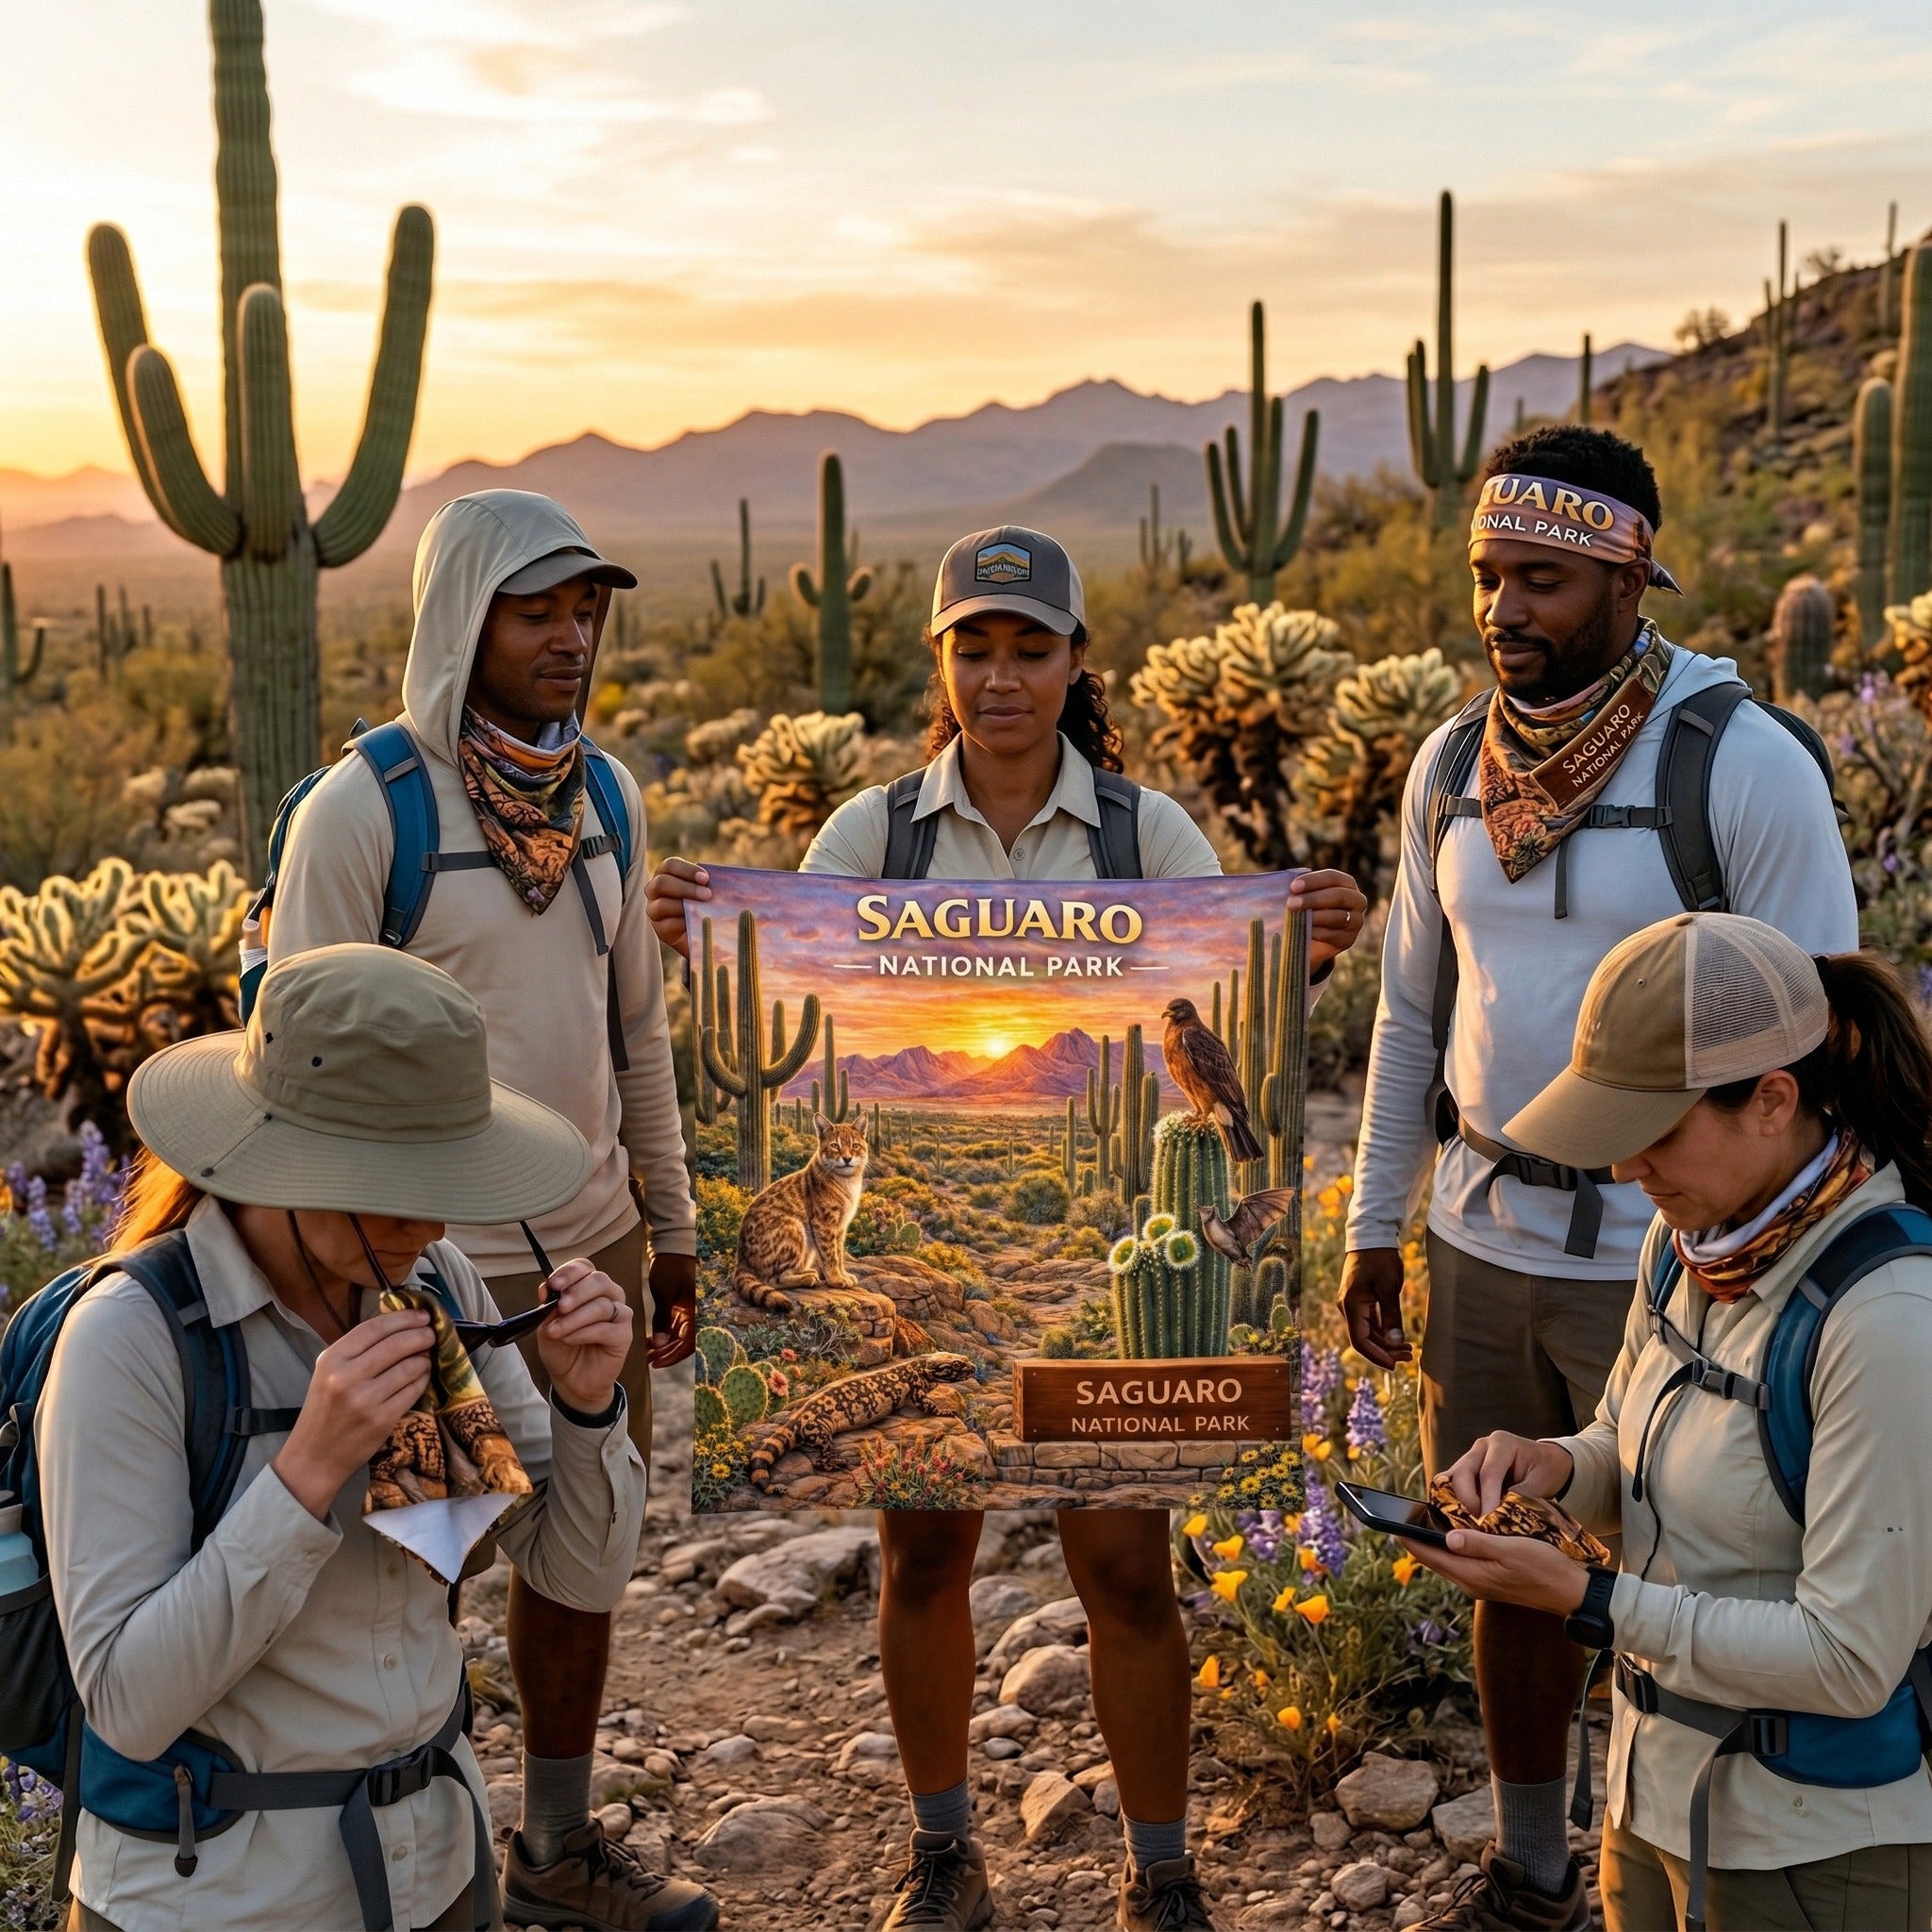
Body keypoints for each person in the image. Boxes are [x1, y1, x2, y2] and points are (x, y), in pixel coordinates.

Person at [648, 525, 1369, 1931]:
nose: (1001, 678)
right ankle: (943, 1854)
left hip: (1116, 1247)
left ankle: (1162, 1873)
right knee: (927, 1554)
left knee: (1122, 1565)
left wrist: (1304, 946)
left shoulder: (1143, 835)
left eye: (1030, 649)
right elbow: (808, 1018)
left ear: (1076, 661)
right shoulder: (874, 836)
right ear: (941, 663)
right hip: (935, 1244)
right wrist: (720, 944)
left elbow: (1225, 1003)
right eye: (973, 650)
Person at [1340, 425, 1859, 1930]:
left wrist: (1793, 1261)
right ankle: (1532, 1864)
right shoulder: (1450, 765)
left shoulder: (1742, 763)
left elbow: (1820, 1033)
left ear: (1633, 574)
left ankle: (1683, 1865)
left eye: (1545, 580)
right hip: (1484, 1235)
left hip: (1687, 1252)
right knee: (1500, 1556)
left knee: (1696, 1559)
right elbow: (1410, 1020)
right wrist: (1381, 1225)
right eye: (1490, 576)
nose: (1506, 611)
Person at [268, 491, 717, 1929]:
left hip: (592, 1247)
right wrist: (343, 1279)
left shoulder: (609, 798)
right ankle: (417, 1856)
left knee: (587, 1550)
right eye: (542, 611)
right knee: (419, 1567)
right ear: (468, 620)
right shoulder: (365, 813)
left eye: (588, 609)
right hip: (419, 1271)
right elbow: (294, 1072)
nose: (575, 638)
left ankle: (558, 1851)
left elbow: (634, 1032)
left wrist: (676, 1226)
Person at [37, 943, 649, 1932]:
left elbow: (576, 1576)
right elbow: (127, 1703)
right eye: (398, 1180)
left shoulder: (434, 1282)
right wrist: (306, 1470)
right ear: (288, 1157)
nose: (434, 1215)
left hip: (440, 1871)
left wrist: (585, 1406)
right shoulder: (131, 1338)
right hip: (219, 1902)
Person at [1405, 912, 1932, 1932]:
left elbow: (1847, 1656)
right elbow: (1625, 1438)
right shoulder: (1690, 1240)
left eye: (1652, 1130)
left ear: (1772, 1098)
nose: (1621, 1169)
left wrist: (1591, 1598)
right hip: (1652, 1807)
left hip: (1814, 1852)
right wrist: (1552, 1465)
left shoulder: (1884, 1317)